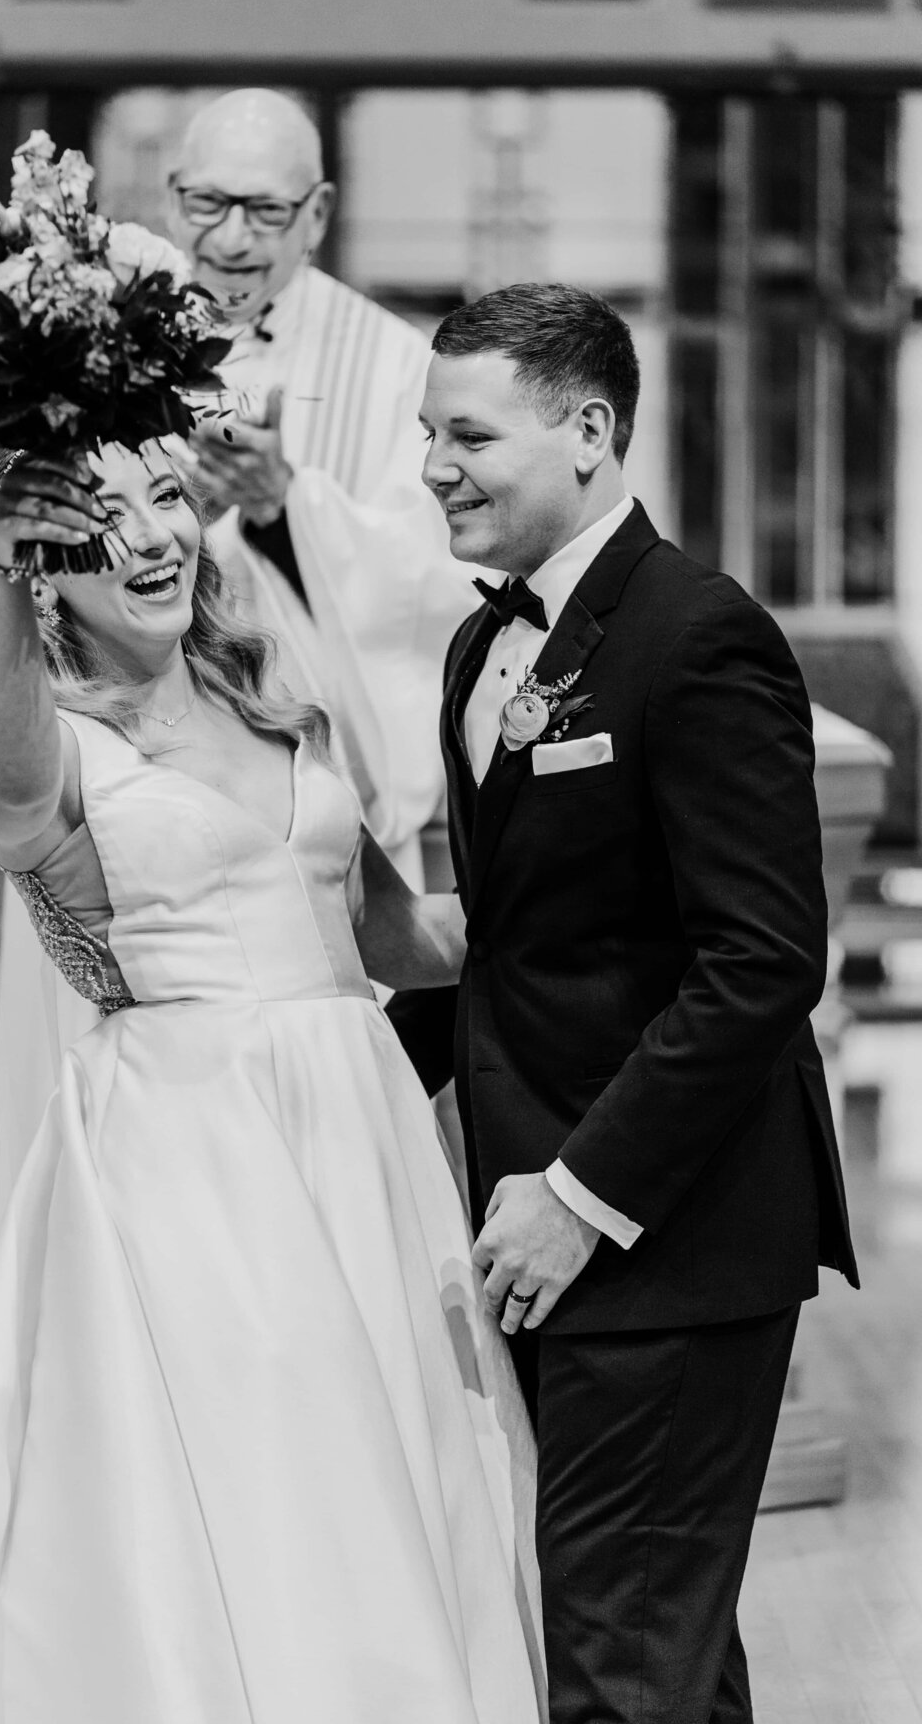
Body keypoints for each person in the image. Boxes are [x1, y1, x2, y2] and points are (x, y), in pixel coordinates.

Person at [0, 436, 545, 1724]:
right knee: (256, 1458)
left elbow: (399, 938)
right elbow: (3, 772)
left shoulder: (274, 702)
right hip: (192, 1148)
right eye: (99, 520)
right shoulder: (43, 749)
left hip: (360, 1130)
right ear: (42, 576)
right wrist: (7, 572)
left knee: (394, 1449)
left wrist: (605, 905)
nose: (153, 536)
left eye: (167, 498)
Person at [388, 283, 859, 1724]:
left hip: (667, 1237)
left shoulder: (699, 637)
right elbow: (529, 946)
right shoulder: (484, 647)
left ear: (589, 432)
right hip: (542, 1233)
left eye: (469, 434)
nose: (431, 468)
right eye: (428, 434)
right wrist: (312, 1065)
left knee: (616, 1665)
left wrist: (580, 1193)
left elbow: (765, 965)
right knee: (652, 1652)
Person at [163, 87, 482, 884]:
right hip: (139, 761)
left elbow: (433, 573)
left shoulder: (395, 364)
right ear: (172, 198)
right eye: (207, 203)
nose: (232, 237)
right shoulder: (106, 337)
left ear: (318, 212)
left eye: (266, 211)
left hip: (310, 783)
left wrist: (283, 510)